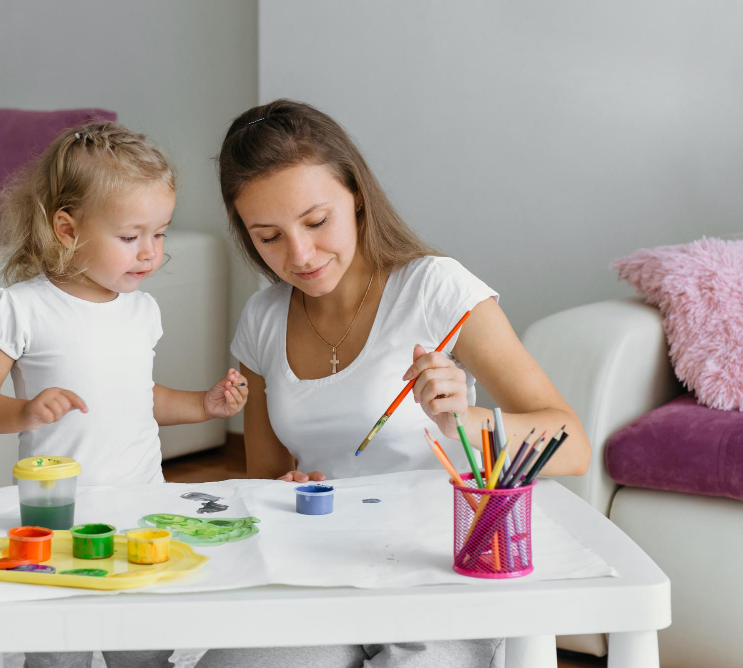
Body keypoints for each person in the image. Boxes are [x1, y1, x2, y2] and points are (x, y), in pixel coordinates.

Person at [197, 100, 591, 668]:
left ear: (356, 196)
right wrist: (287, 485)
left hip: (440, 567)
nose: (300, 255)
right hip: (321, 569)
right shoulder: (262, 319)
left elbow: (571, 444)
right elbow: (264, 477)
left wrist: (463, 421)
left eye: (315, 221)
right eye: (268, 237)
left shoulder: (436, 288)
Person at [0, 121, 247, 668]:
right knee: (58, 656)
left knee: (144, 652)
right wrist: (24, 411)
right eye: (131, 237)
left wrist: (204, 406)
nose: (150, 253)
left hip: (139, 509)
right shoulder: (22, 308)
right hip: (57, 517)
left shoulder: (142, 310)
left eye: (160, 234)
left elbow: (138, 398)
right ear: (67, 228)